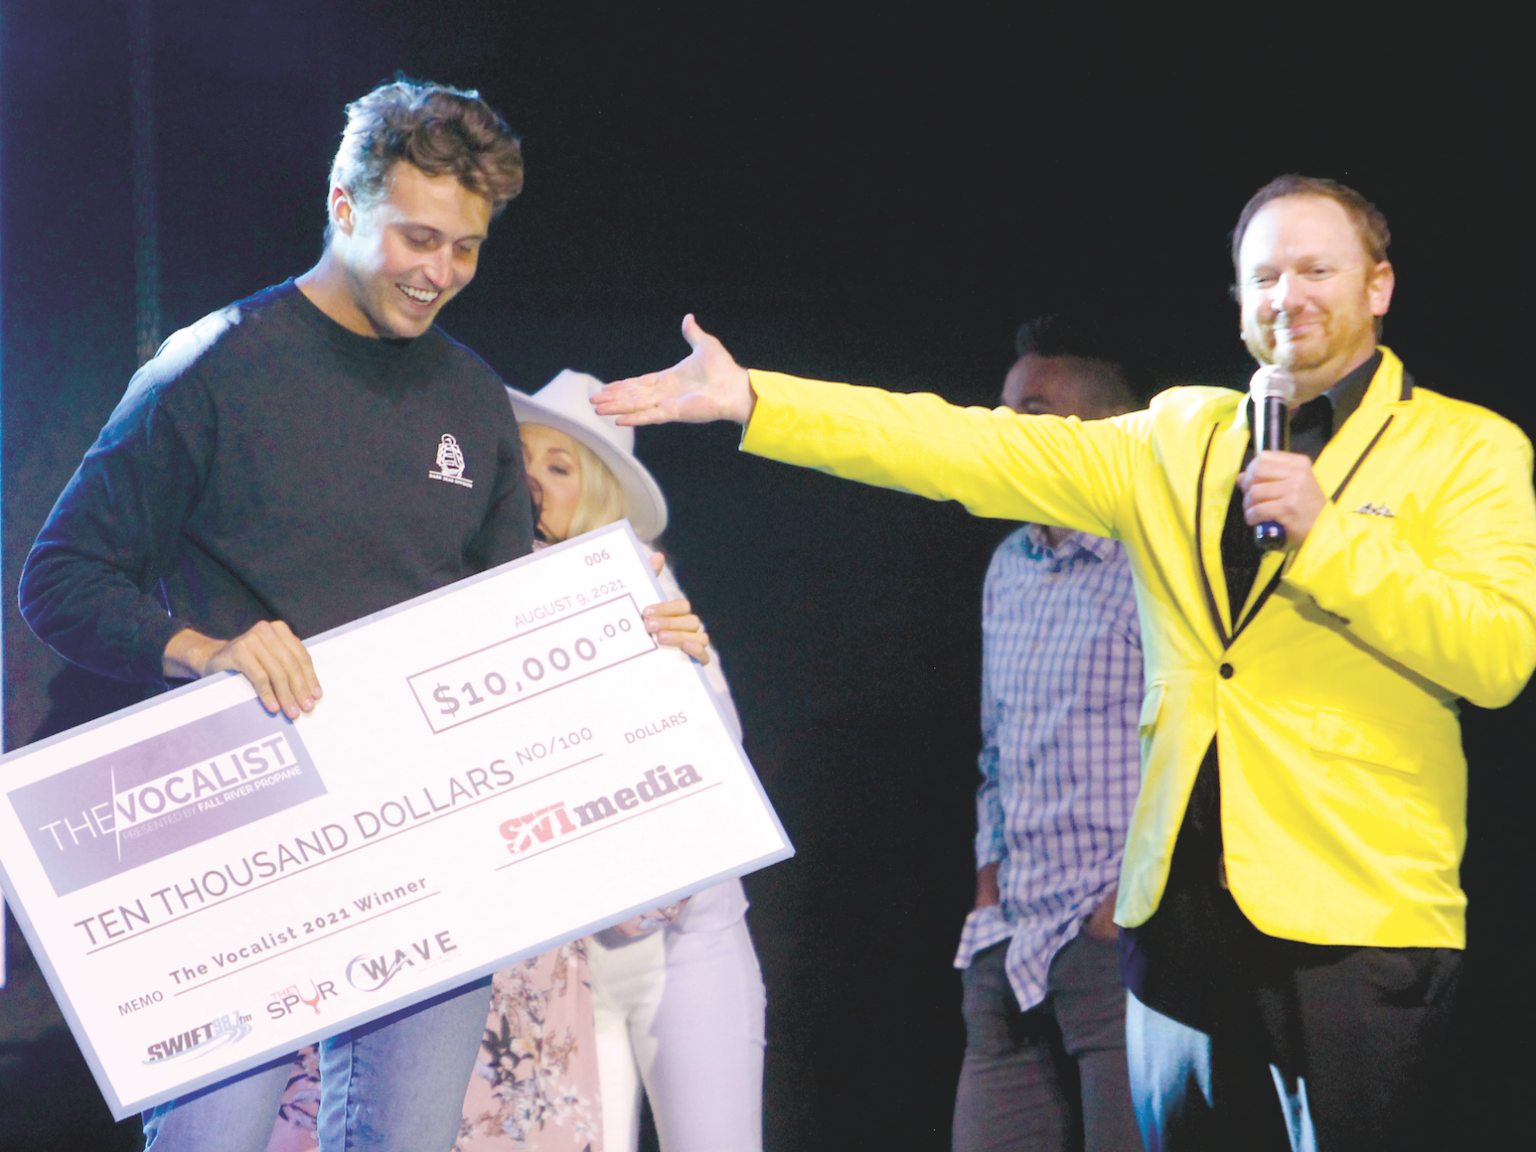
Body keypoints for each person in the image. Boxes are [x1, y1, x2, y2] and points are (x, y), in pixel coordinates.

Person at [589, 175, 1536, 1151]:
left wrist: (1328, 538)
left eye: (1315, 270)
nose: (1286, 295)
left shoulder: (1466, 448)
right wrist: (756, 399)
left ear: (1378, 286)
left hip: (1357, 914)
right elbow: (965, 446)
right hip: (1181, 926)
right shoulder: (1181, 438)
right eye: (1263, 277)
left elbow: (1498, 653)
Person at [19, 80, 704, 1152]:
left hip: (424, 845)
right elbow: (60, 579)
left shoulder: (471, 397)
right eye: (418, 238)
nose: (441, 272)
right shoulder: (214, 366)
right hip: (239, 844)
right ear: (343, 207)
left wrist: (633, 644)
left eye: (467, 249)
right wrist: (203, 650)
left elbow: (507, 623)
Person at [456, 369, 766, 1152]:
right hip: (563, 961)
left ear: (596, 494)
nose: (533, 480)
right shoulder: (464, 595)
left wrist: (665, 661)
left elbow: (718, 760)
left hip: (686, 941)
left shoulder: (646, 588)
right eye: (521, 461)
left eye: (559, 466)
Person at [952, 316, 1145, 1152]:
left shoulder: (1155, 562)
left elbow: (1208, 746)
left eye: (1031, 411)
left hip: (1115, 933)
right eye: (1002, 410)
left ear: (1106, 429)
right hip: (1009, 932)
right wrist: (988, 885)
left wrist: (1124, 905)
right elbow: (996, 748)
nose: (1006, 430)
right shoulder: (1011, 564)